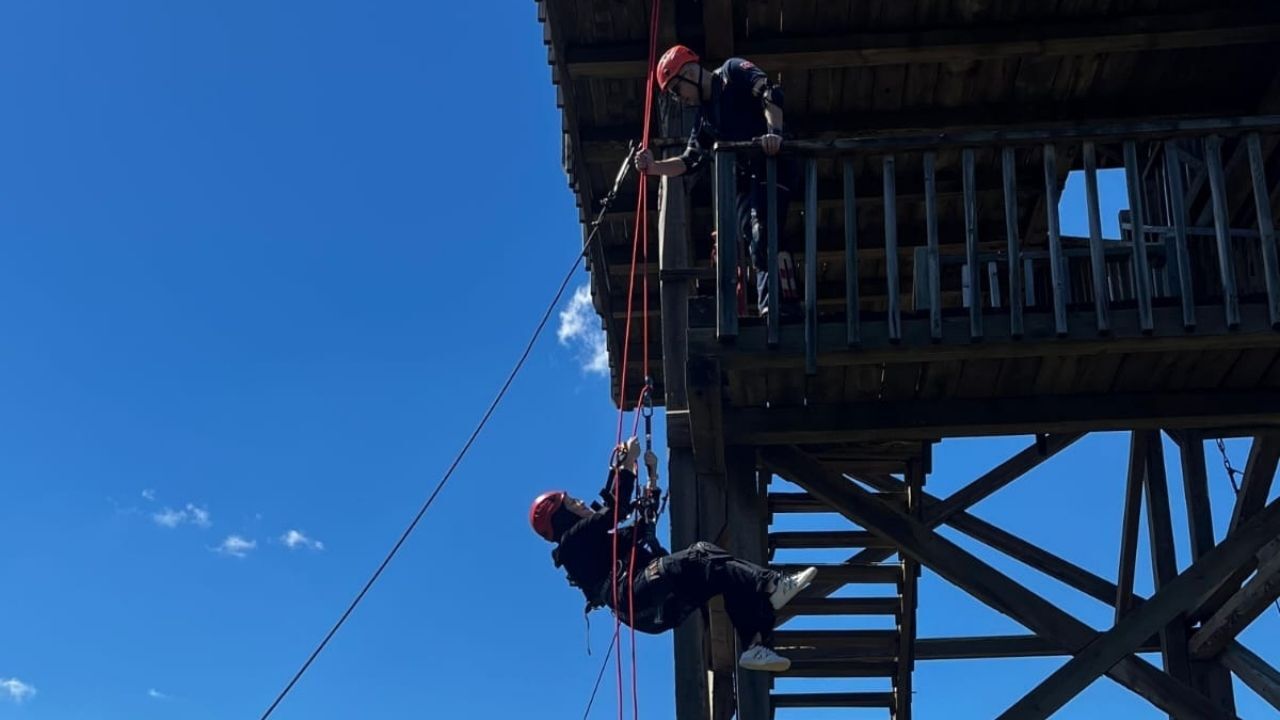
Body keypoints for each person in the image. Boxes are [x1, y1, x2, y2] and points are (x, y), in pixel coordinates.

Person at [530, 437, 817, 672]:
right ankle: (770, 585)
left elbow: (638, 526)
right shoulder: (572, 543)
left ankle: (754, 645)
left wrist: (651, 483)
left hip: (654, 607)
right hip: (637, 596)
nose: (580, 502)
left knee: (719, 573)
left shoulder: (594, 547)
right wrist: (628, 465)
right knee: (701, 554)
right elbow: (613, 512)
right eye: (572, 502)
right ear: (561, 518)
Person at [634, 45, 800, 318]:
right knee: (755, 236)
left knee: (763, 232)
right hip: (748, 179)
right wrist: (653, 168)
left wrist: (775, 133)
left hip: (774, 165)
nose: (680, 99)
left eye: (677, 90)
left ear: (689, 72)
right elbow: (689, 161)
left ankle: (781, 304)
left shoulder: (732, 72)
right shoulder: (704, 120)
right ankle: (774, 305)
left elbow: (769, 92)